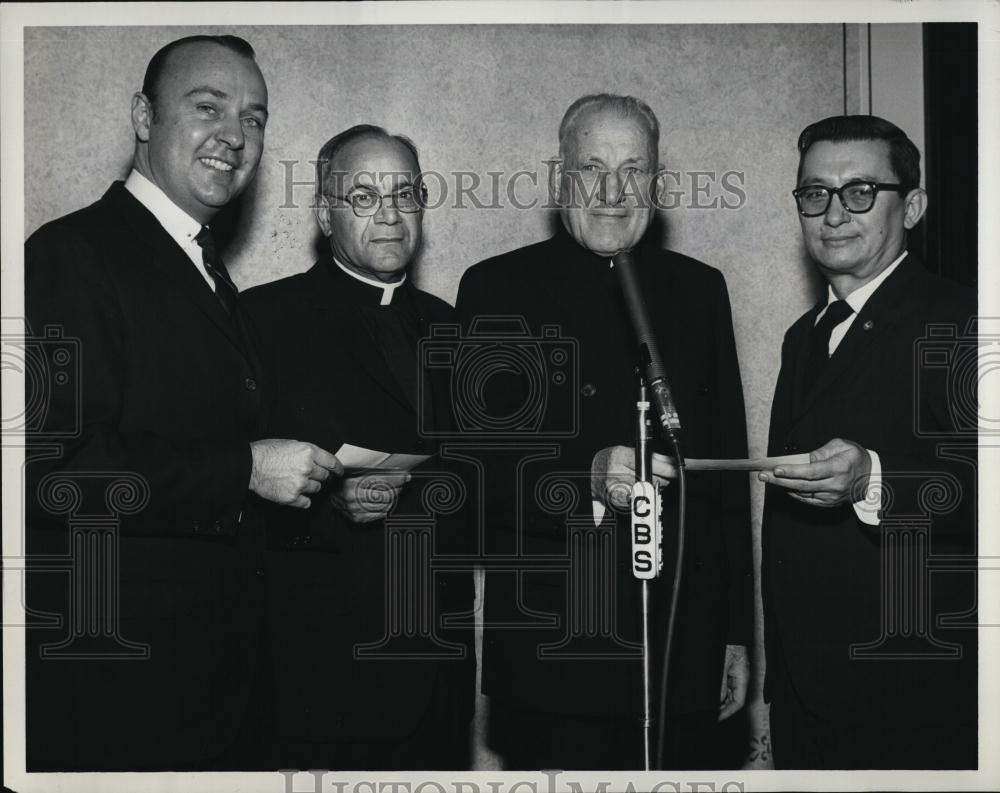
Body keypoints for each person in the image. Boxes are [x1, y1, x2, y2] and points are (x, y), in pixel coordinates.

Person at [24, 35, 341, 772]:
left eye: (255, 118)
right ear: (143, 115)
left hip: (209, 688)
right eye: (208, 108)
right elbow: (53, 467)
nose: (235, 135)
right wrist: (245, 472)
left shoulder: (203, 268)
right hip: (119, 691)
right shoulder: (72, 255)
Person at [454, 94, 753, 769]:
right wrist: (585, 476)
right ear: (561, 179)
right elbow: (474, 471)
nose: (613, 191)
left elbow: (724, 472)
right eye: (591, 169)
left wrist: (737, 633)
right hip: (556, 652)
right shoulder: (497, 288)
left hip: (680, 644)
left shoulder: (701, 288)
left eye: (633, 169)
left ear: (658, 182)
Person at [242, 125, 475, 769]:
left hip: (436, 665)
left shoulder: (452, 324)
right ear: (325, 212)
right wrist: (327, 500)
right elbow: (229, 483)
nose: (391, 214)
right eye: (364, 196)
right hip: (318, 668)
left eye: (405, 193)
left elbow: (483, 480)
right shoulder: (263, 318)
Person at [758, 115, 977, 769]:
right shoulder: (803, 336)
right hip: (804, 698)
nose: (832, 214)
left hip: (911, 697)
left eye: (859, 192)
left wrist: (873, 480)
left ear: (911, 206)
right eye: (814, 193)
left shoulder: (965, 318)